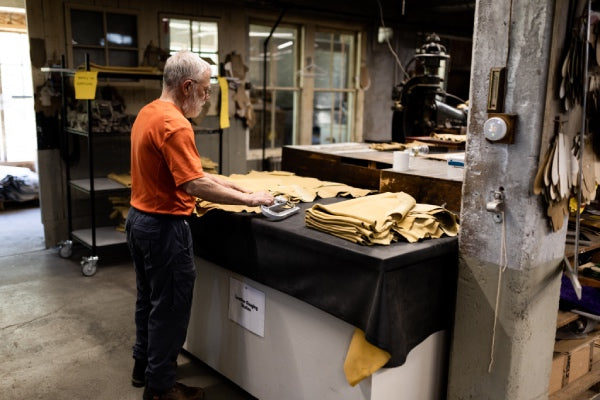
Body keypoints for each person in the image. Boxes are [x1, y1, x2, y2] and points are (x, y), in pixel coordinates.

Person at [125, 50, 274, 400]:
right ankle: (160, 389)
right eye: (206, 91)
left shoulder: (149, 113)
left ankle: (142, 366)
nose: (207, 98)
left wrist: (231, 183)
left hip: (138, 222)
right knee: (171, 309)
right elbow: (193, 185)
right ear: (187, 86)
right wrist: (250, 200)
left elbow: (185, 170)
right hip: (164, 229)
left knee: (149, 300)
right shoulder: (176, 124)